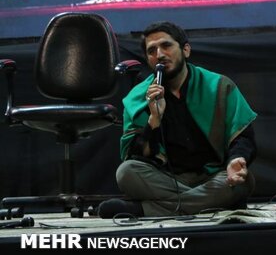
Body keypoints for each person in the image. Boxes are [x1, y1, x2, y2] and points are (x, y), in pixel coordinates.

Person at [98, 22, 257, 218]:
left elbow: (244, 138)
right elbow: (135, 157)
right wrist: (154, 120)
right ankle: (214, 203)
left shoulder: (218, 86)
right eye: (152, 50)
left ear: (186, 50)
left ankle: (145, 210)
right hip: (166, 179)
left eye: (166, 46)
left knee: (243, 181)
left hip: (213, 176)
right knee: (126, 173)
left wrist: (236, 160)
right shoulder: (138, 98)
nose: (160, 54)